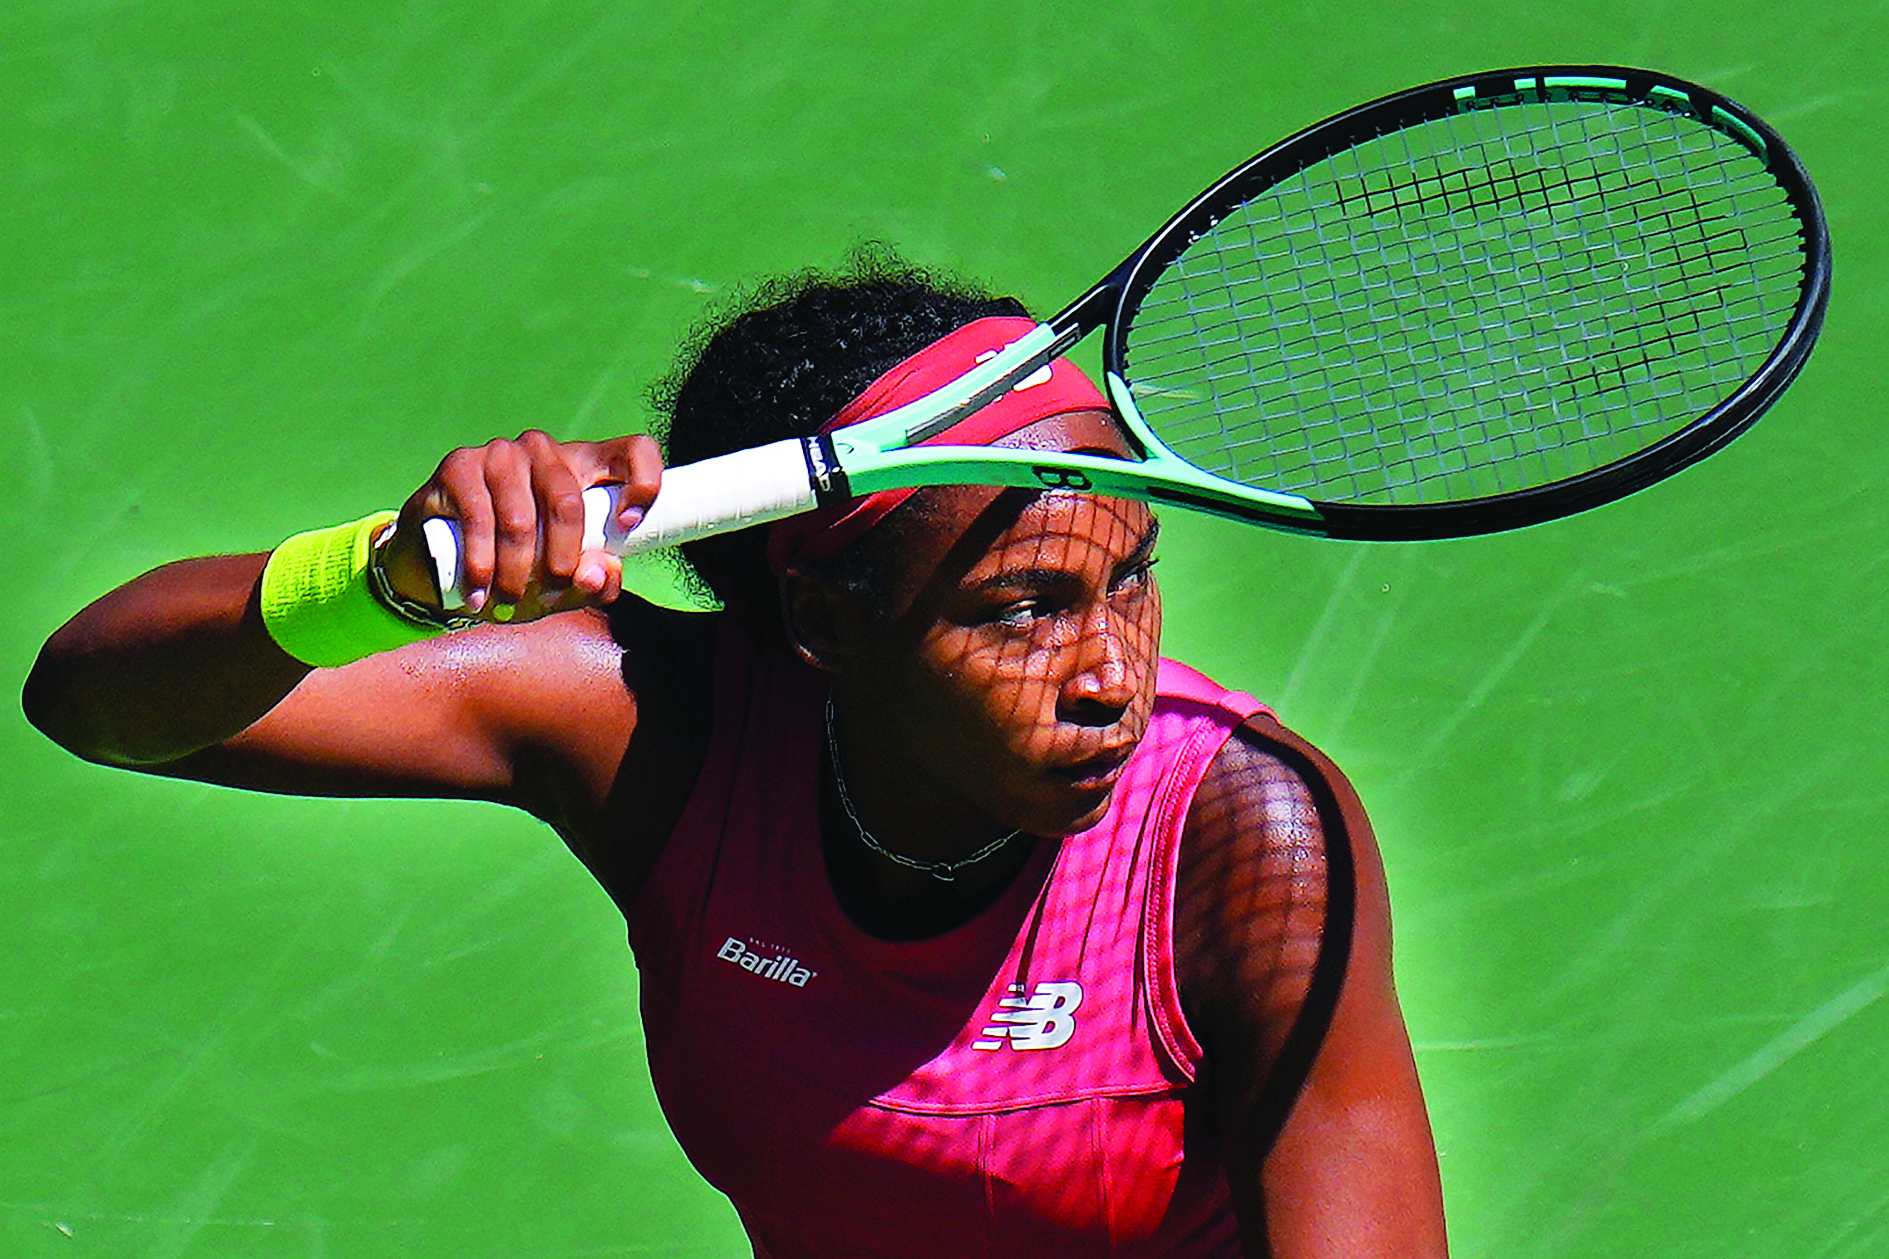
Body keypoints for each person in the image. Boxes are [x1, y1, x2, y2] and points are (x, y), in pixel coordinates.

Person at [24, 253, 1448, 1257]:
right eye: (1023, 610)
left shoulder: (1245, 839)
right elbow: (95, 695)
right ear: (823, 620)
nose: (1110, 677)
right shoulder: (660, 730)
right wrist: (388, 578)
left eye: (1129, 578)